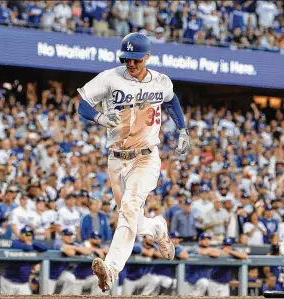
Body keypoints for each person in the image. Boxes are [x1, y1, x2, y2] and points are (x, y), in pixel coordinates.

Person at [77, 32, 190, 292]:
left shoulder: (161, 81)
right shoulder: (110, 77)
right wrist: (101, 118)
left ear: (147, 57)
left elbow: (172, 101)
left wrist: (182, 129)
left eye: (136, 60)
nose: (130, 64)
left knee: (128, 207)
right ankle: (158, 228)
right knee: (134, 221)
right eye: (126, 59)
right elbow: (82, 105)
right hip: (116, 160)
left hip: (146, 157)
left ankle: (112, 268)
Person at [0, 226, 47, 295]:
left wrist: (32, 243)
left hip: (23, 284)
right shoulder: (14, 243)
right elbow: (27, 248)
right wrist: (31, 244)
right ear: (20, 235)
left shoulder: (32, 243)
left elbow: (44, 247)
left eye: (30, 234)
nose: (28, 237)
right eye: (25, 234)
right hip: (9, 282)